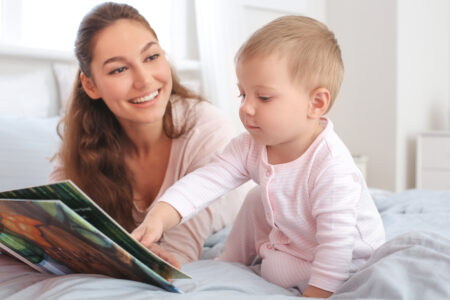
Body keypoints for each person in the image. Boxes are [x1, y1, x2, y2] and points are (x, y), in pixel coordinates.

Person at [131, 15, 386, 298]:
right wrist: (159, 216)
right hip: (300, 243)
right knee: (256, 198)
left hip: (348, 262)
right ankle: (230, 261)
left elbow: (337, 246)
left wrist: (317, 293)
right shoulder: (252, 145)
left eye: (263, 98)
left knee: (275, 269)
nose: (246, 108)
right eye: (242, 95)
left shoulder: (331, 168)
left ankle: (257, 262)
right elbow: (205, 181)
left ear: (316, 103)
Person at [48, 2, 243, 266]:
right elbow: (50, 220)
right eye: (119, 69)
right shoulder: (83, 143)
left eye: (151, 57)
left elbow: (179, 255)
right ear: (91, 85)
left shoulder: (207, 129)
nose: (145, 80)